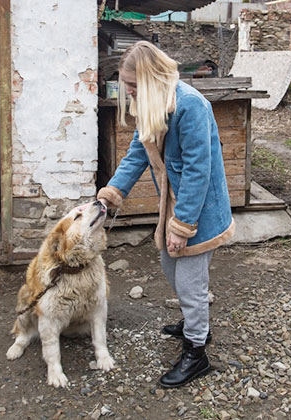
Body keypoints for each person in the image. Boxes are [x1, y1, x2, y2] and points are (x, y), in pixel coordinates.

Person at [97, 41, 236, 388]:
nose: (127, 90)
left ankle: (197, 352)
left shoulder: (190, 107)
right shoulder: (150, 101)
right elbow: (136, 154)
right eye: (126, 83)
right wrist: (113, 193)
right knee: (168, 265)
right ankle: (195, 321)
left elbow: (197, 172)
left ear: (150, 77)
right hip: (174, 204)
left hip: (198, 208)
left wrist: (183, 225)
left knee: (190, 282)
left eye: (132, 84)